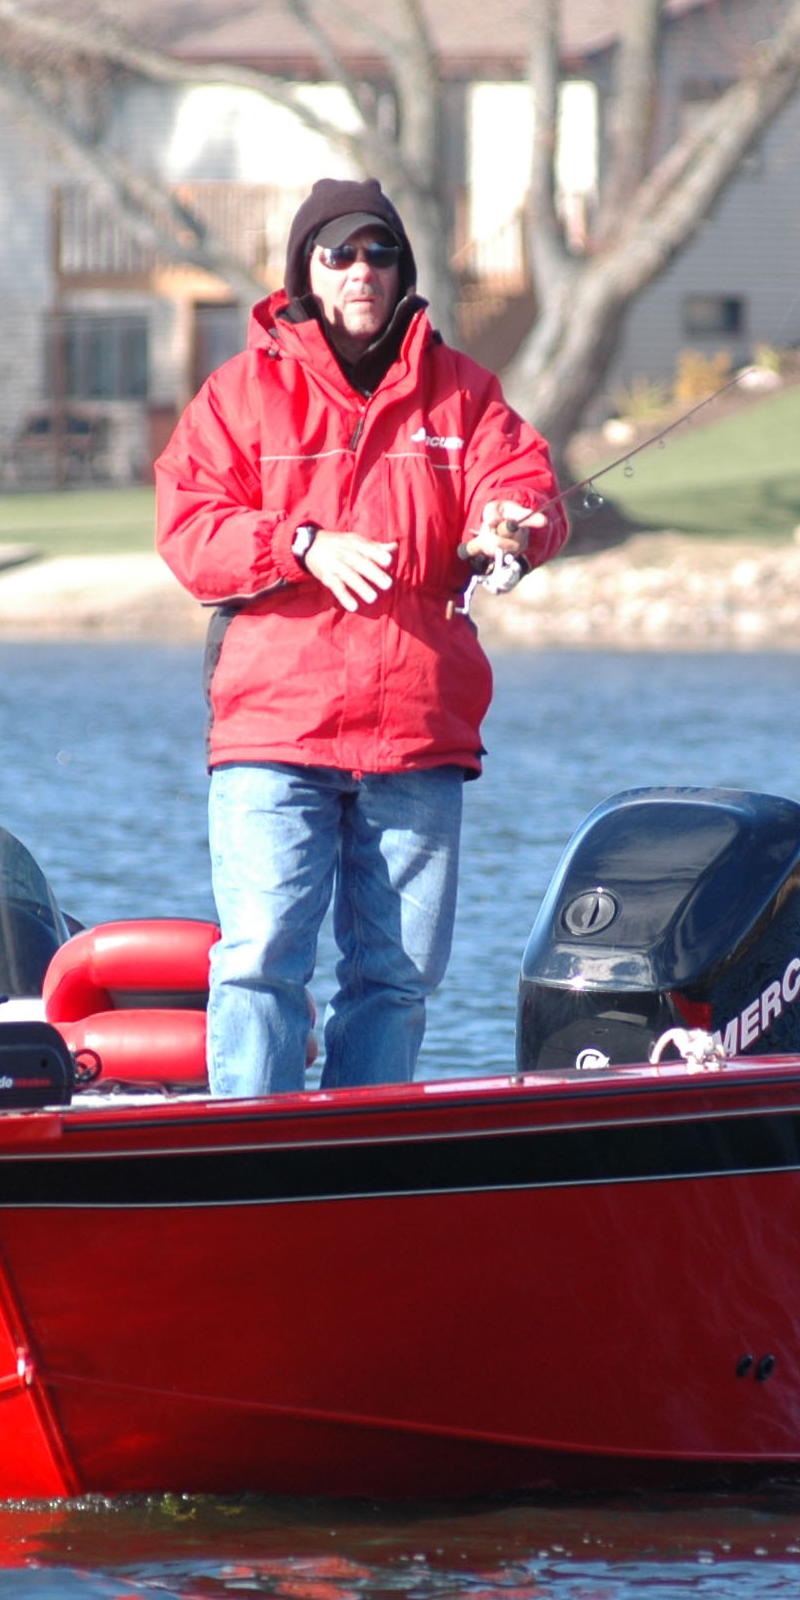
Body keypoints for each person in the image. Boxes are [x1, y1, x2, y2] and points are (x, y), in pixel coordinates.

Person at [155, 177, 567, 1096]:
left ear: (401, 269)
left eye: (379, 252)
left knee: (395, 979)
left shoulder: (462, 392)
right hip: (275, 734)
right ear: (306, 269)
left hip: (416, 737)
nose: (361, 270)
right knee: (262, 961)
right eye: (338, 253)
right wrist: (299, 543)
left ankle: (357, 1162)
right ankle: (247, 1159)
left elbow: (524, 481)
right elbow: (188, 532)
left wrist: (513, 528)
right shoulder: (238, 394)